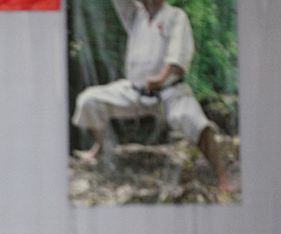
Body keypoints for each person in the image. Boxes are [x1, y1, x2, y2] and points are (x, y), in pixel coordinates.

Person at [71, 0, 232, 193]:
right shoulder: (136, 16)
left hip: (171, 92)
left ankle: (222, 176)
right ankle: (103, 146)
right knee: (89, 100)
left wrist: (160, 78)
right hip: (134, 92)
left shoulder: (175, 17)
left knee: (196, 122)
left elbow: (178, 56)